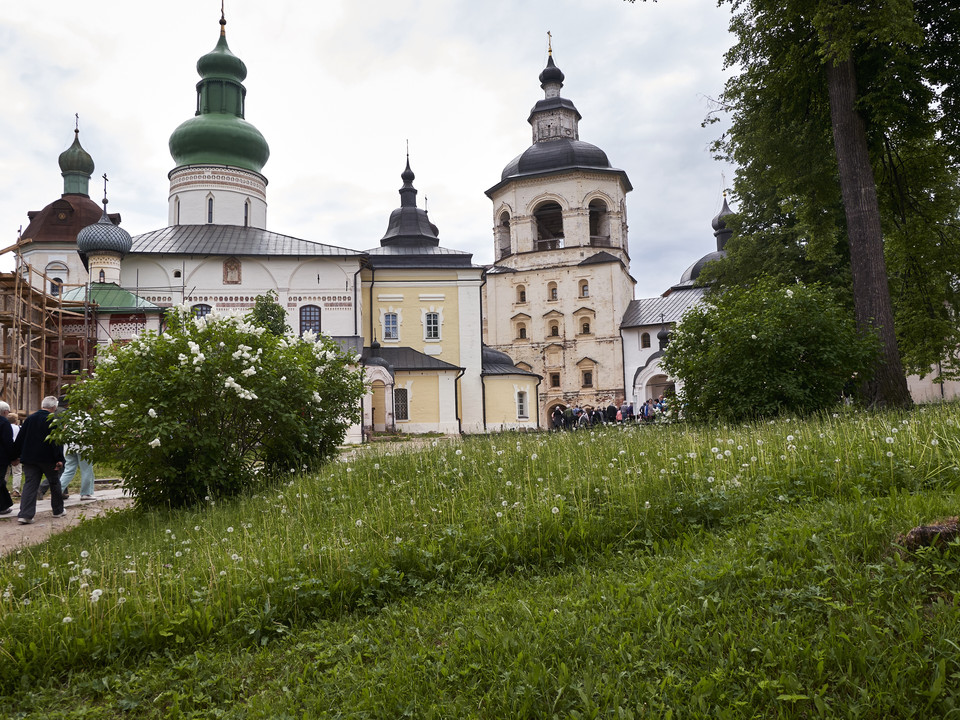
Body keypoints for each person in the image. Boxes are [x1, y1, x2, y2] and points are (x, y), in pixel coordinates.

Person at [14, 396, 66, 525]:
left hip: (30, 458)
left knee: (30, 485)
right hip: (48, 459)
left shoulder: (29, 419)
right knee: (54, 483)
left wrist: (15, 455)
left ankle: (25, 515)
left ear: (42, 405)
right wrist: (59, 459)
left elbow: (20, 439)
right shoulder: (53, 419)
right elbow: (56, 441)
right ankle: (58, 510)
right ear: (54, 407)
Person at [53, 397, 96, 500]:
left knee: (69, 470)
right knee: (87, 470)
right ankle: (86, 493)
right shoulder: (86, 416)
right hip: (83, 447)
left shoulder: (69, 415)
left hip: (69, 446)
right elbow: (89, 433)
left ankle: (58, 491)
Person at [0, 402, 16, 515]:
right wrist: (13, 457)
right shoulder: (4, 422)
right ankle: (3, 506)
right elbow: (8, 441)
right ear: (5, 412)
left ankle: (5, 504)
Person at [7, 412, 21, 497]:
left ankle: (3, 489)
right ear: (16, 420)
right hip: (16, 452)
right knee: (17, 472)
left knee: (5, 472)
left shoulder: (5, 427)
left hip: (6, 451)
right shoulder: (19, 428)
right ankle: (16, 490)